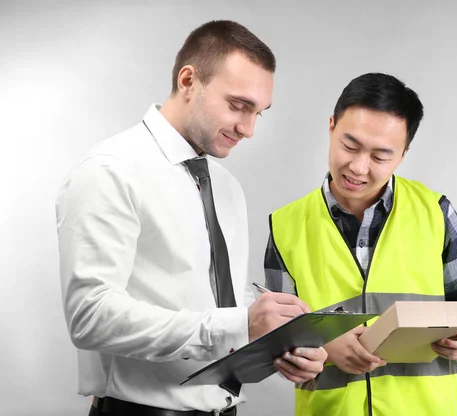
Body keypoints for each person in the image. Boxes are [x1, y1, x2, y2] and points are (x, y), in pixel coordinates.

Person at [56, 20, 326, 416]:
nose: (248, 129)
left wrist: (282, 338)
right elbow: (90, 315)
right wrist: (238, 326)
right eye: (238, 105)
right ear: (188, 81)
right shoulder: (109, 170)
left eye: (258, 113)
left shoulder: (227, 186)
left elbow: (211, 296)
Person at [264, 73, 457, 415]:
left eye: (380, 156)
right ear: (331, 126)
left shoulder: (436, 213)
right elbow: (277, 335)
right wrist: (322, 346)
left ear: (403, 154)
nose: (358, 167)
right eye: (349, 145)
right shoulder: (284, 225)